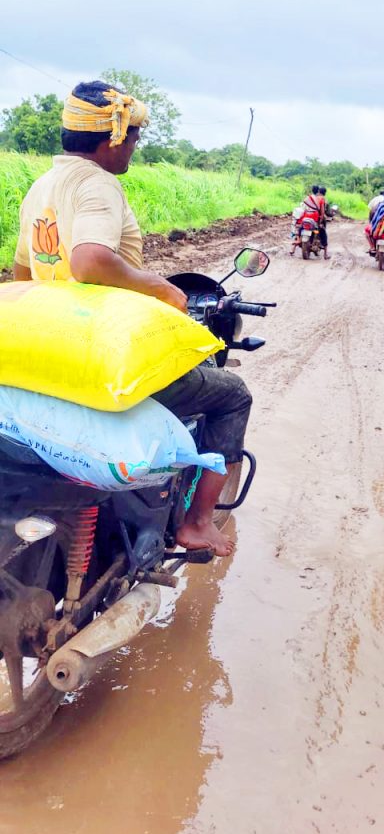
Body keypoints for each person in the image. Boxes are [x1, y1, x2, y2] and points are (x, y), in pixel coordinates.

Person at [14, 80, 251, 557]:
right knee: (233, 395)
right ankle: (199, 523)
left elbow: (24, 274)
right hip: (99, 353)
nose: (135, 148)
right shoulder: (97, 183)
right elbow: (91, 260)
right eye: (135, 138)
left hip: (45, 354)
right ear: (113, 139)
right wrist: (164, 289)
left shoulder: (42, 186)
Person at [317, 185, 330, 260]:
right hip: (318, 219)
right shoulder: (322, 199)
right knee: (324, 233)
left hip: (309, 217)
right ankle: (325, 254)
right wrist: (322, 219)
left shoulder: (313, 197)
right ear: (324, 193)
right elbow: (323, 212)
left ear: (318, 191)